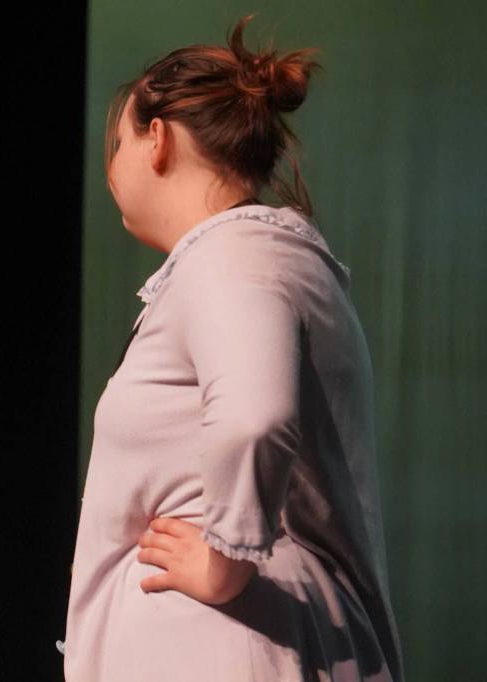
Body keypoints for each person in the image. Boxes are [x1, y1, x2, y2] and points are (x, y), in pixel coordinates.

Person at [63, 16, 404, 681]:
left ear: (156, 141)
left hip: (216, 647)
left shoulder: (233, 255)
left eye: (118, 143)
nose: (112, 168)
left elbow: (256, 414)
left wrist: (223, 564)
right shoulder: (252, 258)